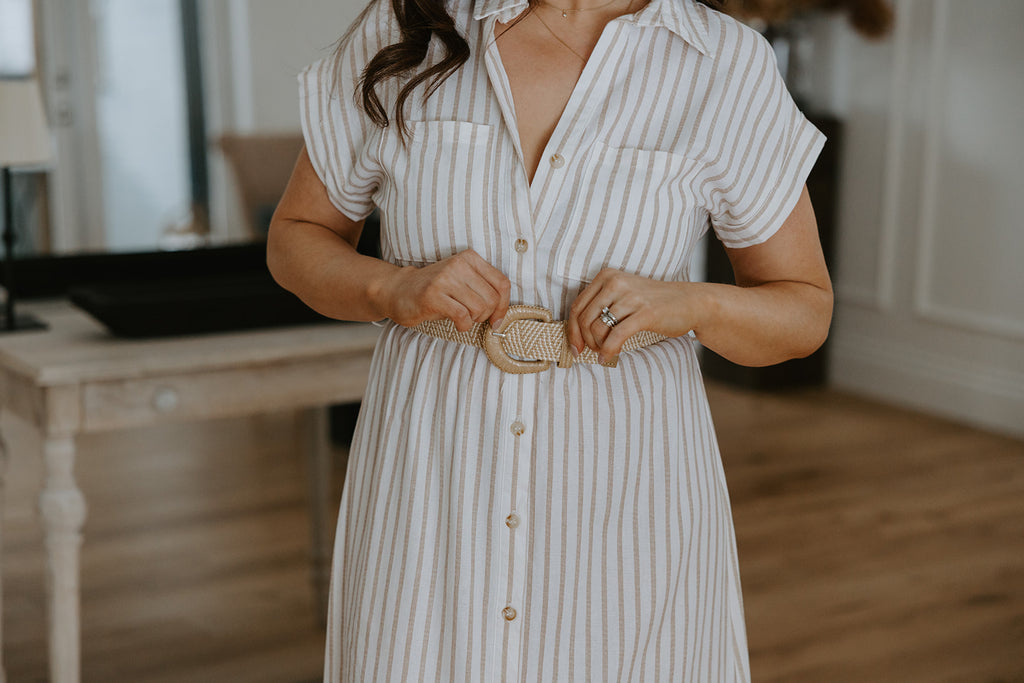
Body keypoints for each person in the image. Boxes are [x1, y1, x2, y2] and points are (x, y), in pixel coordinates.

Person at [267, 0, 832, 678]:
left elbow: (803, 310)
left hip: (630, 497)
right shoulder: (407, 27)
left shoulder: (725, 63)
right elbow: (296, 239)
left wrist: (687, 302)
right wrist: (389, 289)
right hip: (430, 489)